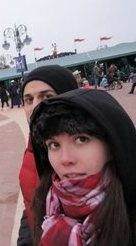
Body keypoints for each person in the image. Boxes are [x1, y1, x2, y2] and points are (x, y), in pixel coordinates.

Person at [29, 89, 136, 245]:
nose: (66, 159)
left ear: (112, 145)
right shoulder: (44, 200)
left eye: (81, 139)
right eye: (54, 145)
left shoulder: (129, 210)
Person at [17, 65, 78, 246]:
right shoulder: (32, 147)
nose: (36, 106)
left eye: (46, 96)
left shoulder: (93, 148)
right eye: (28, 99)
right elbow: (31, 204)